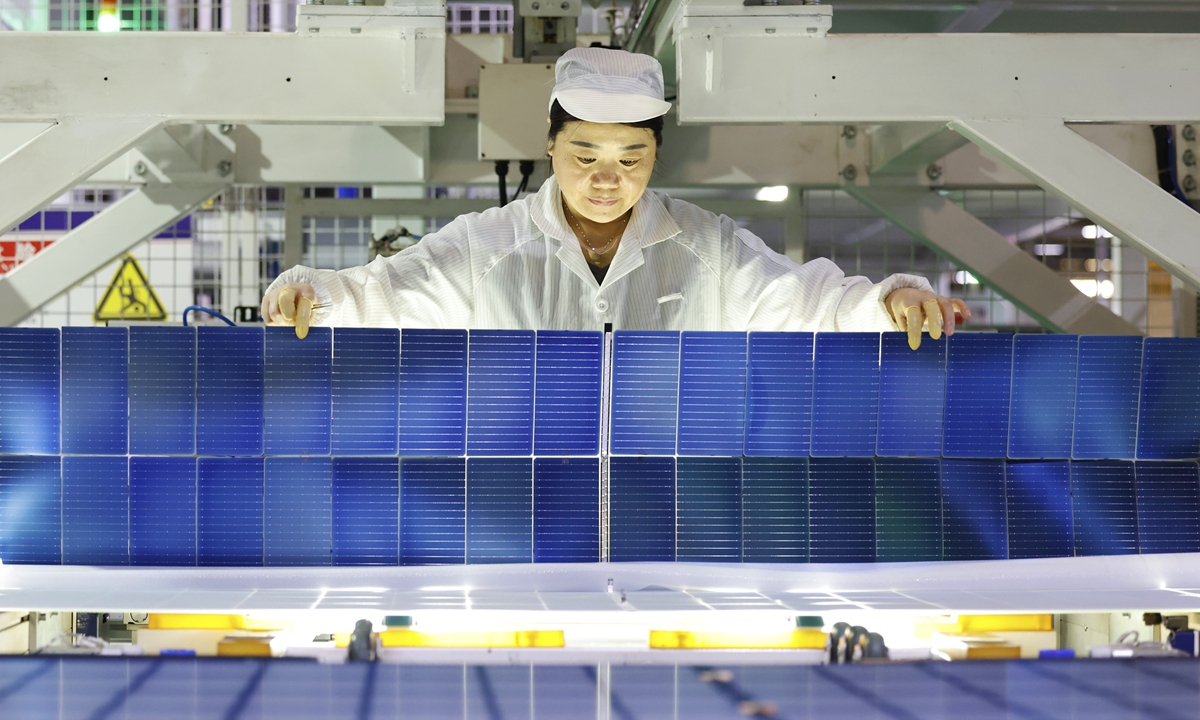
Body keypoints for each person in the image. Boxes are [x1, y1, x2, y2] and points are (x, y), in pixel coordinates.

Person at [262, 48, 968, 346]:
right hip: (519, 498)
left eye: (631, 159)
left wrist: (891, 301)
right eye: (585, 156)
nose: (607, 179)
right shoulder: (484, 246)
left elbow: (813, 302)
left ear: (656, 155)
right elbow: (380, 293)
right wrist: (304, 295)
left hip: (669, 497)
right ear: (549, 147)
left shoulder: (708, 246)